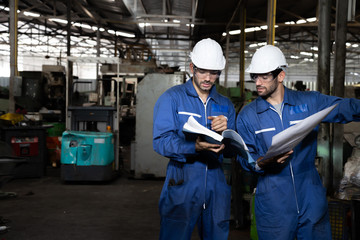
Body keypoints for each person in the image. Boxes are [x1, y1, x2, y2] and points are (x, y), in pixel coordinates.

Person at [236, 44, 360, 240]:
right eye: (254, 76)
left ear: (281, 75)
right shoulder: (248, 116)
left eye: (264, 76)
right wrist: (260, 163)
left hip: (310, 192)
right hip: (272, 197)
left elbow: (344, 107)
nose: (257, 82)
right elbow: (244, 158)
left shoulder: (308, 103)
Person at [153, 38, 236, 240]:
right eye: (202, 71)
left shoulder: (225, 105)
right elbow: (160, 141)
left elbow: (234, 151)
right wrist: (194, 146)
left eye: (214, 72)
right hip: (183, 181)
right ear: (192, 67)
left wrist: (228, 135)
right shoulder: (172, 98)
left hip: (217, 183)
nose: (208, 78)